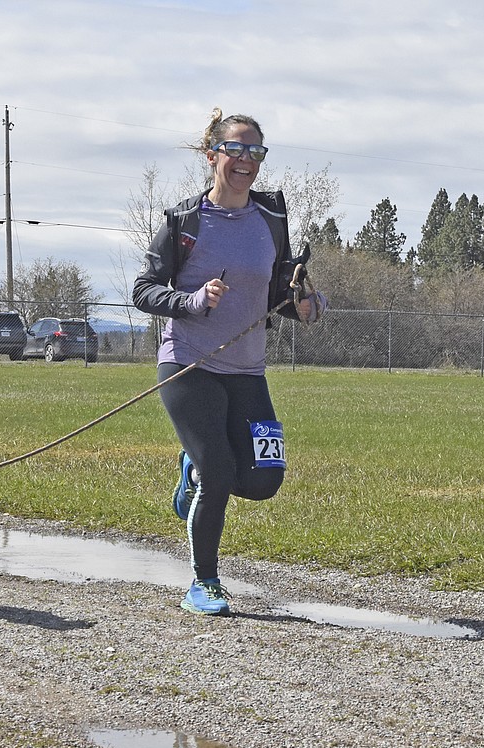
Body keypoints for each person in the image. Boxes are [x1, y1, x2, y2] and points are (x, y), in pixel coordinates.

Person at [132, 108, 325, 616]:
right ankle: (204, 582)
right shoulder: (185, 221)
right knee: (220, 471)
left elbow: (286, 286)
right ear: (212, 153)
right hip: (188, 364)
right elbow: (144, 290)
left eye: (255, 151)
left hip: (247, 369)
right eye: (235, 149)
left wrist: (307, 305)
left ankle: (192, 471)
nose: (245, 160)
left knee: (265, 477)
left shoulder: (271, 219)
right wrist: (192, 302)